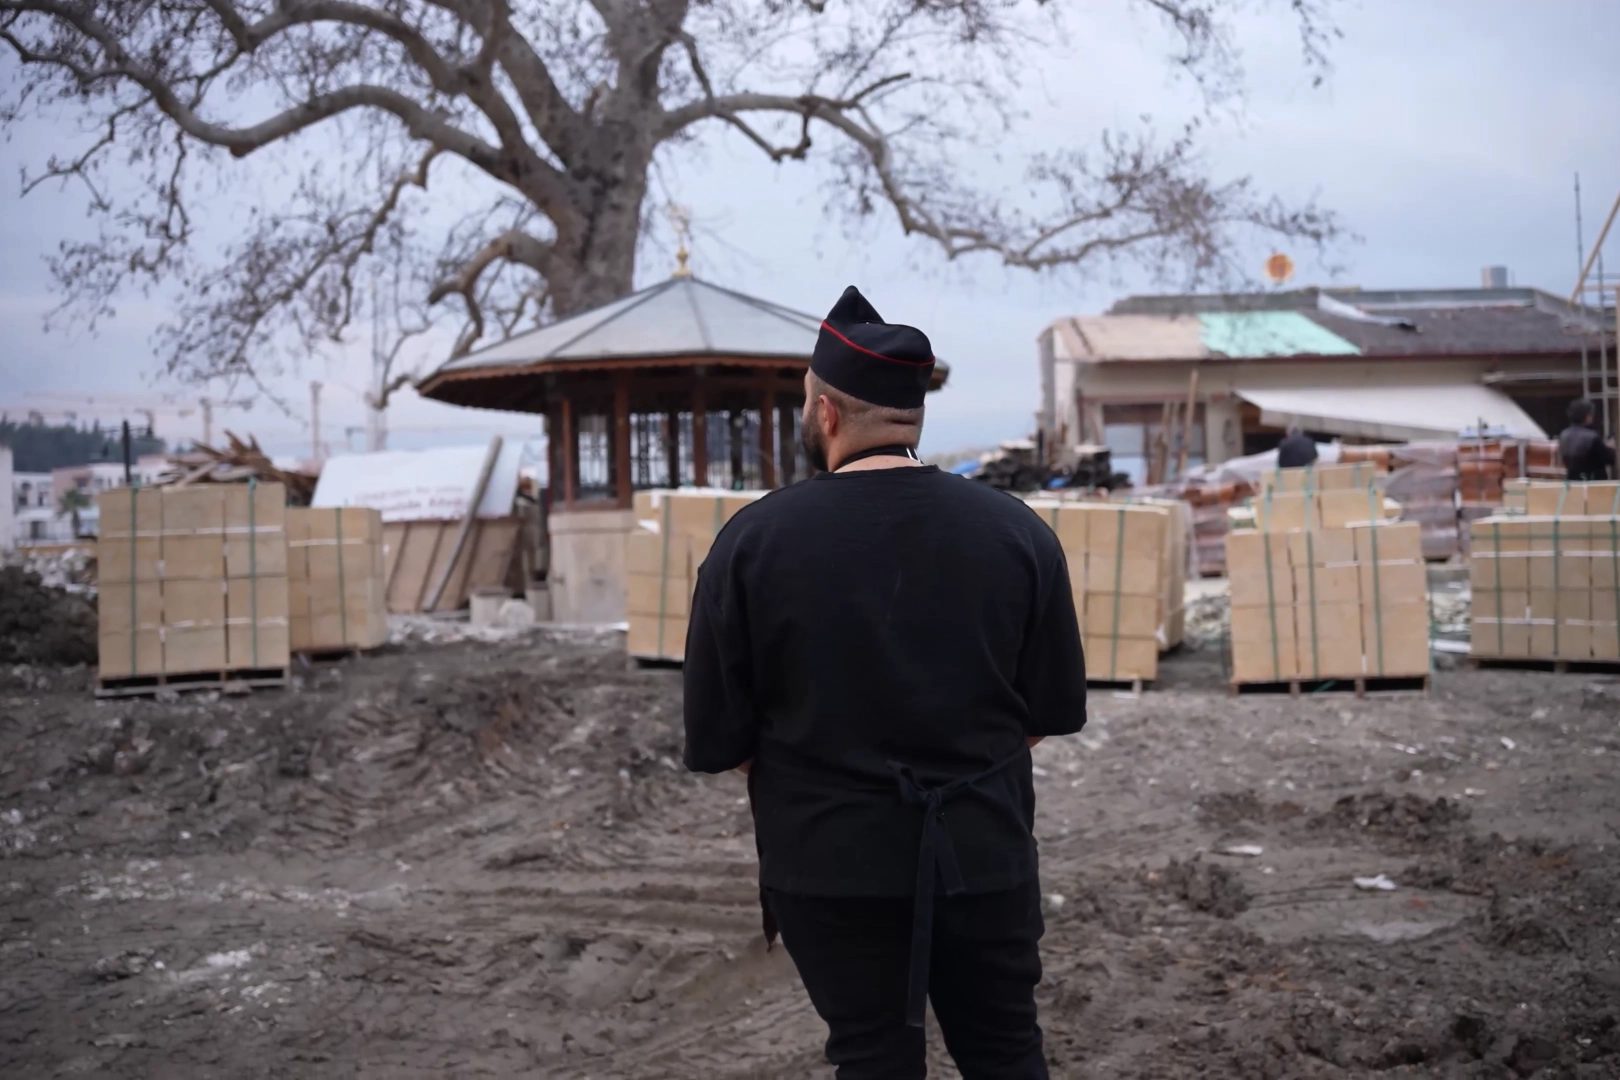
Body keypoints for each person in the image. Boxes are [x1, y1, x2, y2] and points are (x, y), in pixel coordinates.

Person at [683, 285, 1087, 1079]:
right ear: (912, 419)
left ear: (826, 414)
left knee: (870, 1055)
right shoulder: (1017, 533)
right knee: (1006, 1050)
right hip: (985, 854)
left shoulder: (752, 542)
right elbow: (1045, 713)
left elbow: (721, 740)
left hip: (831, 864)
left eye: (806, 402)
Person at [1558, 398, 1616, 481]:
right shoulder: (1592, 437)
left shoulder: (1563, 434)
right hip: (1592, 484)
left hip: (1573, 483)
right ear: (1587, 416)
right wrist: (1611, 448)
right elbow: (1610, 459)